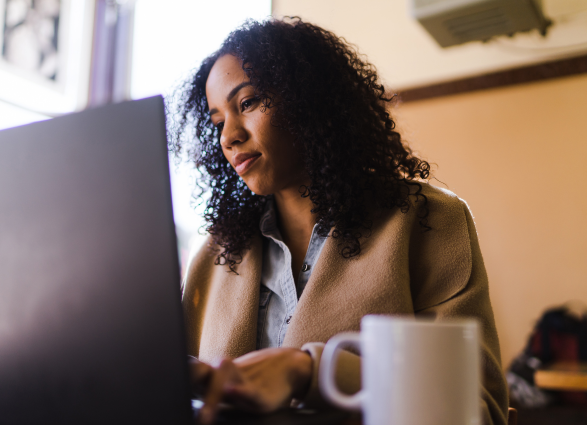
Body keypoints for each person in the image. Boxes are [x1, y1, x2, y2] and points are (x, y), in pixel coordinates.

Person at [170, 18, 508, 425]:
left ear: (308, 99)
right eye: (218, 122)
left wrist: (311, 371)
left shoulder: (428, 222)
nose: (229, 137)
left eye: (248, 103)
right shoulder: (216, 253)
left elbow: (477, 410)